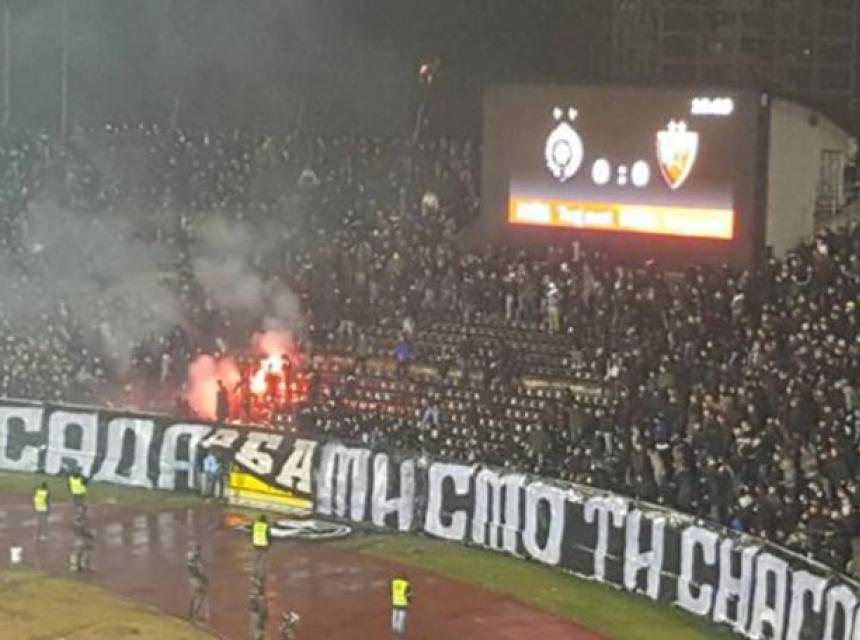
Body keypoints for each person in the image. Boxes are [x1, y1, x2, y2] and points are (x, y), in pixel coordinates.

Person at [186, 542, 209, 621]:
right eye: (197, 550)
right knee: (200, 595)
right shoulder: (195, 559)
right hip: (196, 579)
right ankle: (196, 614)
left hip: (193, 578)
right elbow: (200, 570)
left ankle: (191, 613)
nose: (198, 552)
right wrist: (205, 579)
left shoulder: (191, 557)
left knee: (195, 596)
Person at [69, 506, 94, 572]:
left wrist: (90, 534)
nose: (82, 512)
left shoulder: (85, 518)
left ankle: (85, 565)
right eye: (81, 510)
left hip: (85, 537)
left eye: (83, 510)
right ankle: (75, 566)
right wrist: (87, 533)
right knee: (78, 551)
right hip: (80, 537)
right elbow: (79, 528)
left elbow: (87, 527)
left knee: (88, 551)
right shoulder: (77, 519)